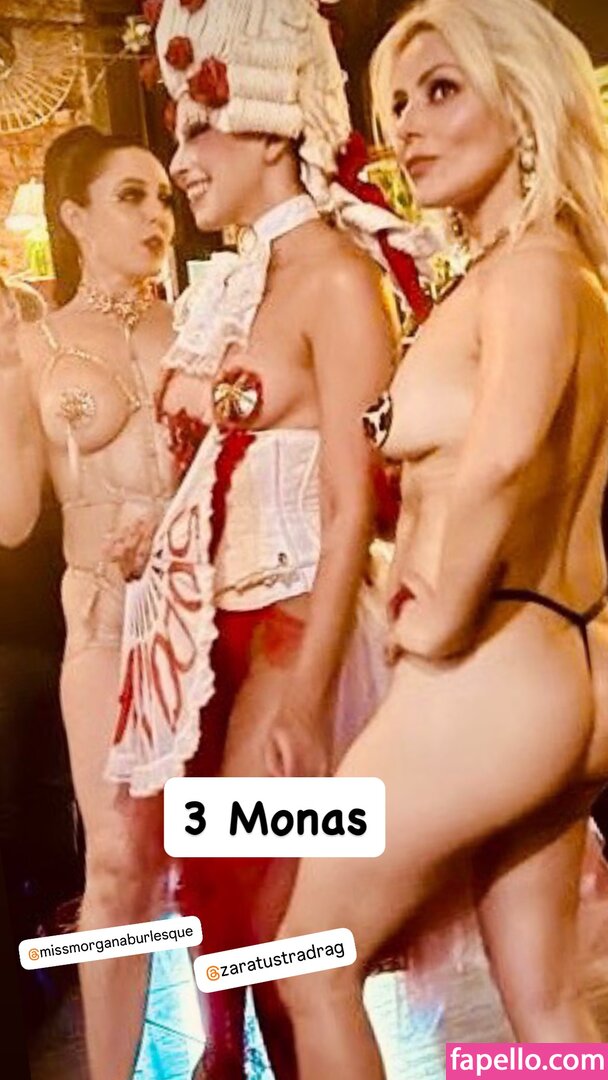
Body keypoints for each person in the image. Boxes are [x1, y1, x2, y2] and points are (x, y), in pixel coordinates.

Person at [104, 1, 438, 1076]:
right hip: (214, 645)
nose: (180, 161)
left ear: (264, 132)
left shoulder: (336, 279)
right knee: (224, 908)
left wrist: (303, 696)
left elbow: (351, 502)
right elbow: (230, 459)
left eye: (198, 130)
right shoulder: (246, 284)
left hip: (295, 635)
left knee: (285, 931)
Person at [275, 0, 608, 1073]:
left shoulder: (532, 272)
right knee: (544, 1001)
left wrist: (435, 614)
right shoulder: (553, 270)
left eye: (441, 90)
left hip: (487, 667)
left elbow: (505, 458)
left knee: (306, 959)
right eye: (396, 105)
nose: (408, 127)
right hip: (554, 665)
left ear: (522, 101)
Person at [0, 126, 176, 1080]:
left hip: (207, 611)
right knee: (116, 864)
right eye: (131, 197)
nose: (158, 216)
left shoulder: (200, 328)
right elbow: (12, 518)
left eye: (164, 197)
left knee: (244, 841)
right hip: (105, 621)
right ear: (73, 216)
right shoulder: (33, 345)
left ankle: (238, 1048)